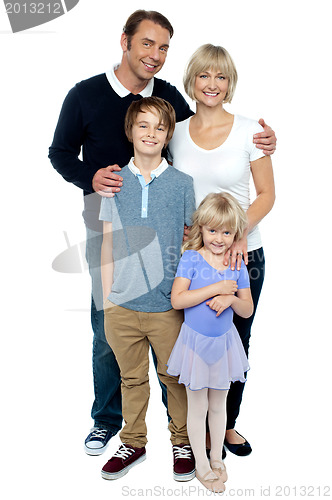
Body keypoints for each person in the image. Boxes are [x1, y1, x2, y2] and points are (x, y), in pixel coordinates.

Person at [48, 9, 276, 456]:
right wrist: (90, 177)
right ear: (125, 41)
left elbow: (216, 126)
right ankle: (109, 421)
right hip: (111, 227)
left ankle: (201, 429)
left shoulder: (172, 101)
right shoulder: (85, 94)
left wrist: (267, 141)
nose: (155, 55)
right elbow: (59, 152)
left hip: (184, 240)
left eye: (164, 47)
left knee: (196, 332)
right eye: (147, 43)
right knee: (108, 328)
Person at [167, 43, 276, 457]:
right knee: (190, 340)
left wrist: (237, 234)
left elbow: (266, 194)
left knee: (236, 340)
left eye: (221, 76)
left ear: (230, 83)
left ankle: (226, 425)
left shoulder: (251, 130)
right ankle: (189, 429)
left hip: (241, 255)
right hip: (192, 258)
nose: (212, 84)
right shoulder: (174, 132)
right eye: (204, 75)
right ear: (192, 80)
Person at [99, 97, 196, 481]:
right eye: (143, 125)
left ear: (168, 134)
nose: (151, 133)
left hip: (167, 305)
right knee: (132, 379)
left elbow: (191, 242)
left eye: (159, 127)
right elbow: (106, 241)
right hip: (121, 305)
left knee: (175, 378)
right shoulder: (115, 182)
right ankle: (134, 441)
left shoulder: (183, 184)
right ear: (130, 131)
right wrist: (106, 297)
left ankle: (183, 441)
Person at [167, 192, 253, 492]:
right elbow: (178, 299)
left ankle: (217, 458)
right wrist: (216, 287)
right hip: (194, 344)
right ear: (201, 227)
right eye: (212, 230)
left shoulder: (236, 263)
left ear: (235, 234)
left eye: (227, 232)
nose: (219, 238)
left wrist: (229, 298)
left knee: (219, 405)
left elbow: (247, 308)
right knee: (197, 405)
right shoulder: (191, 258)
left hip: (224, 344)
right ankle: (201, 465)